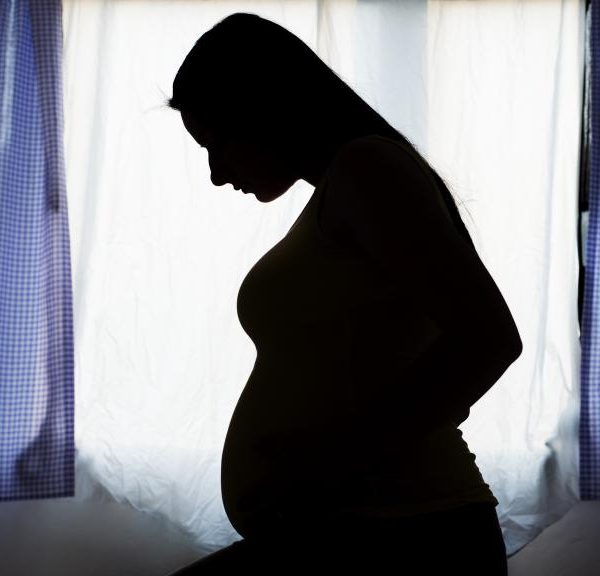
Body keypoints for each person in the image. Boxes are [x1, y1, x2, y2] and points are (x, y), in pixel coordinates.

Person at [166, 12, 522, 575]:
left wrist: (328, 465)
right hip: (359, 527)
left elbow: (488, 339)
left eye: (219, 143)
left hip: (411, 532)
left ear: (264, 108)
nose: (215, 173)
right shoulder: (341, 188)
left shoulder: (368, 169)